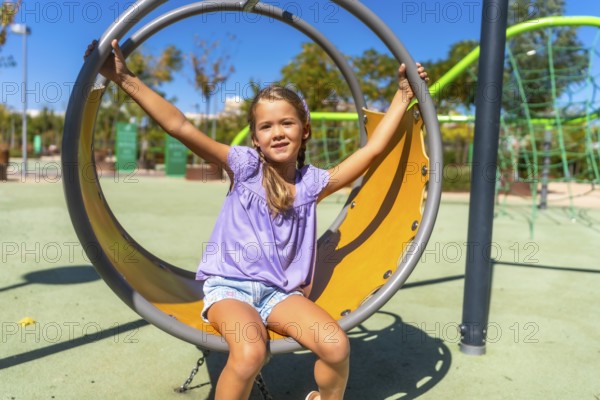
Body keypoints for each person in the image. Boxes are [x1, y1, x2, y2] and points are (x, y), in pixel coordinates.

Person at [85, 39, 428, 400]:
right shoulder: (245, 168)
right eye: (266, 127)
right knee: (251, 352)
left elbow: (372, 151)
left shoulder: (312, 184)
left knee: (336, 345)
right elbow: (179, 126)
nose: (277, 132)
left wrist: (403, 96)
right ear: (255, 139)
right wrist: (124, 78)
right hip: (230, 289)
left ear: (305, 130)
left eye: (287, 123)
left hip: (281, 294)